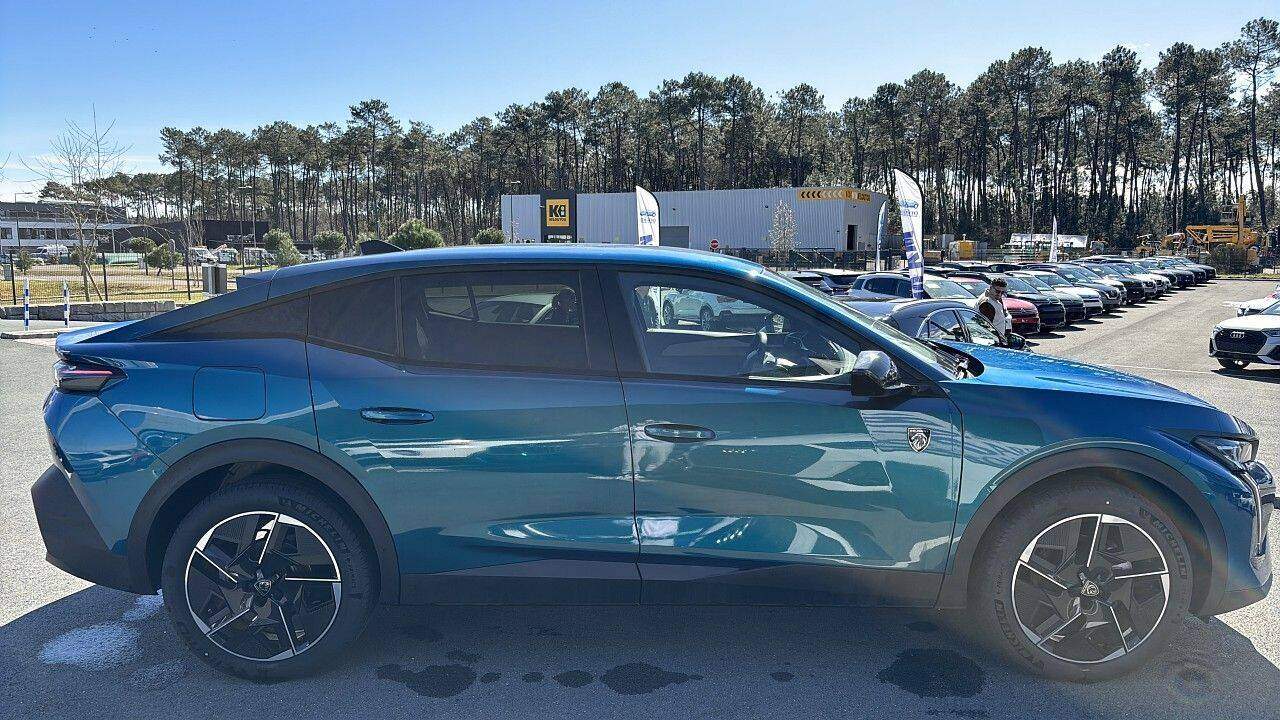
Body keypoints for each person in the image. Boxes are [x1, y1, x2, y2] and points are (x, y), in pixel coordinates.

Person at [976, 277, 1011, 343]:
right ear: (991, 288)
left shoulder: (995, 298)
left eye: (1002, 292)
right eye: (997, 291)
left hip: (998, 338)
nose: (1000, 294)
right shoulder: (987, 303)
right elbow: (985, 327)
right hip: (992, 341)